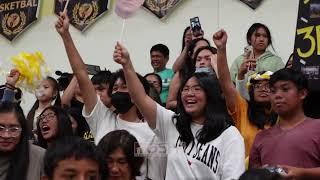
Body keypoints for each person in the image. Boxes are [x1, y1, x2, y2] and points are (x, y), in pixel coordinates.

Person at [55, 11, 166, 180]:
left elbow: (157, 177)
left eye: (125, 87)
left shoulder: (155, 134)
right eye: (115, 88)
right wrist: (66, 36)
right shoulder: (102, 118)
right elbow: (82, 74)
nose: (119, 91)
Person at [113, 42, 245, 179]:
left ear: (210, 95)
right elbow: (140, 97)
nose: (189, 93)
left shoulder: (229, 135)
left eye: (197, 89)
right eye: (185, 89)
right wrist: (127, 65)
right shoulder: (172, 124)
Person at [212, 30, 278, 157]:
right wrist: (221, 49)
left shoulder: (283, 116)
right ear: (250, 91)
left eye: (268, 86)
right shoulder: (243, 109)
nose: (263, 89)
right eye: (258, 85)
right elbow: (225, 82)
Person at [249, 68, 320, 169]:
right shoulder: (261, 137)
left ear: (302, 93)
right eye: (273, 91)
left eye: (285, 89)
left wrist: (301, 174)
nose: (277, 95)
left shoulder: (318, 128)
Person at [230, 23, 284, 99]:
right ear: (249, 39)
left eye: (265, 36)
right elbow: (230, 84)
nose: (261, 39)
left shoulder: (276, 61)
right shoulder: (239, 60)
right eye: (257, 35)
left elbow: (282, 84)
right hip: (243, 103)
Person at [0, 102, 45, 180]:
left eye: (13, 129)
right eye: (0, 128)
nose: (5, 135)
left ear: (22, 130)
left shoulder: (40, 157)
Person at [166, 38, 211, 110]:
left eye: (206, 48)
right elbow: (170, 103)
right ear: (191, 54)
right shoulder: (181, 74)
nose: (202, 51)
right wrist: (190, 103)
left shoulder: (217, 74)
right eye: (199, 49)